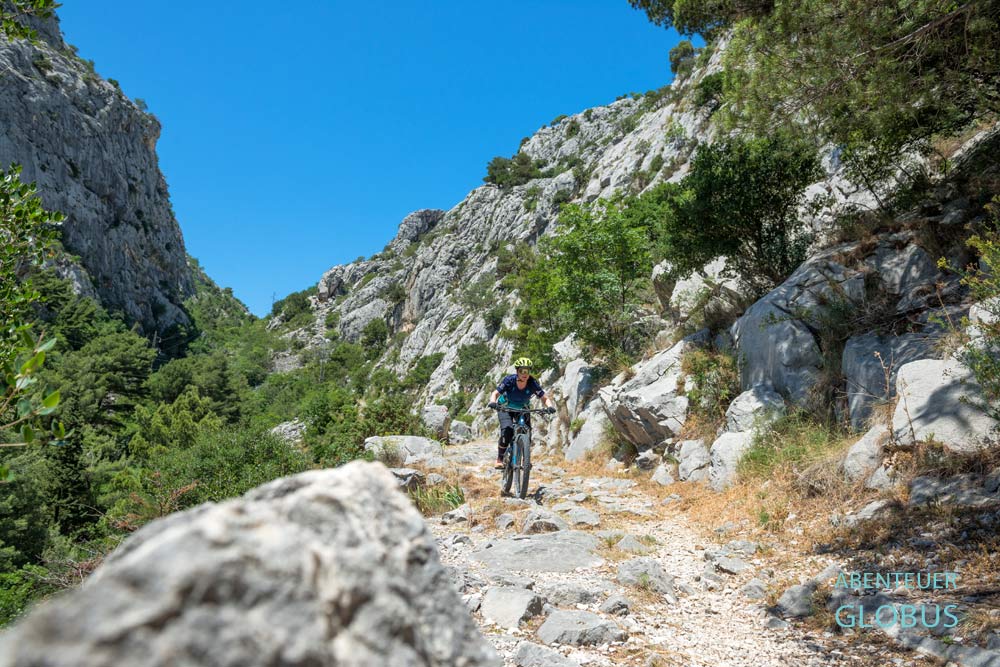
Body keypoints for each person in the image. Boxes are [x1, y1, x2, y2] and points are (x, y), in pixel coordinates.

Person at [487, 357, 556, 469]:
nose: (524, 374)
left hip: (523, 409)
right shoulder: (509, 380)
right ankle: (499, 459)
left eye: (527, 371)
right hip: (506, 408)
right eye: (522, 371)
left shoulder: (532, 383)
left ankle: (526, 460)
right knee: (507, 430)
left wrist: (550, 406)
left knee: (527, 432)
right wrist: (492, 402)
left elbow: (544, 397)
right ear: (517, 371)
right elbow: (495, 393)